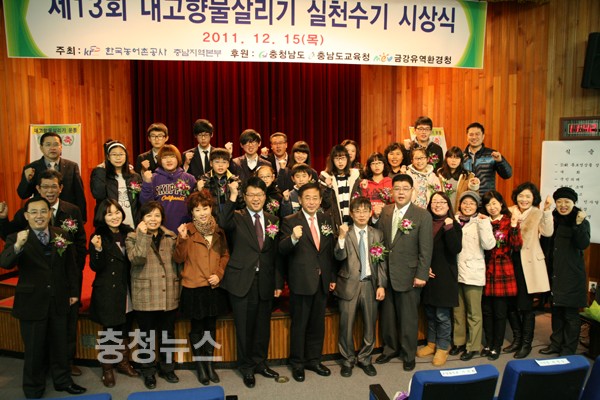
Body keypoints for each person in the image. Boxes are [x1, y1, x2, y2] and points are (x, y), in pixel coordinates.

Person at [0, 169, 87, 376]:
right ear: (38, 188)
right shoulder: (28, 210)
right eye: (45, 186)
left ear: (61, 188)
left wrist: (74, 277)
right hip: (37, 287)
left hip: (64, 279)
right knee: (37, 338)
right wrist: (2, 220)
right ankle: (42, 372)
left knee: (65, 329)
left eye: (53, 186)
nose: (50, 190)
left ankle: (66, 365)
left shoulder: (72, 210)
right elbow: (10, 239)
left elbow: (80, 242)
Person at [219, 177, 284, 388]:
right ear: (245, 197)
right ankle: (246, 367)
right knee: (244, 327)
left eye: (260, 195)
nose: (256, 199)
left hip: (264, 280)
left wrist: (277, 283)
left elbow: (275, 254)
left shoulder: (273, 219)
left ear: (265, 197)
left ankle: (260, 363)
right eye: (251, 195)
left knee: (262, 326)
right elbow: (223, 223)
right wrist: (232, 196)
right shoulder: (237, 217)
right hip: (241, 280)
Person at [373, 174, 433, 371]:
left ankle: (408, 354)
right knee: (388, 316)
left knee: (408, 318)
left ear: (412, 191)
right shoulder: (386, 211)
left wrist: (422, 275)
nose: (400, 192)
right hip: (387, 273)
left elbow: (426, 249)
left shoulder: (422, 215)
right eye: (397, 188)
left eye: (405, 189)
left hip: (409, 275)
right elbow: (379, 240)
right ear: (392, 191)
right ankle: (390, 349)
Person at [279, 182, 336, 382]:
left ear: (320, 201)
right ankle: (297, 363)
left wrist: (332, 277)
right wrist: (293, 238)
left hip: (322, 280)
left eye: (315, 198)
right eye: (307, 198)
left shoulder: (326, 219)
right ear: (300, 200)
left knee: (317, 324)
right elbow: (281, 250)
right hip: (301, 281)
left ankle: (314, 360)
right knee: (300, 325)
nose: (311, 202)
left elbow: (329, 251)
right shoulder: (290, 220)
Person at [173, 190, 229, 386]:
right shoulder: (186, 230)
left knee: (210, 327)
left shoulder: (219, 231)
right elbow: (178, 258)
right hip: (194, 287)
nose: (202, 213)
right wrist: (182, 239)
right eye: (197, 210)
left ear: (211, 208)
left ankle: (209, 364)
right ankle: (200, 366)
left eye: (205, 208)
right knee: (197, 328)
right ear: (192, 213)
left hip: (213, 286)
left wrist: (219, 274)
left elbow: (225, 255)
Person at [126, 201, 180, 390]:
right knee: (146, 336)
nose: (153, 219)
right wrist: (142, 235)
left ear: (162, 218)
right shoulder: (132, 237)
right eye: (148, 215)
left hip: (168, 292)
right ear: (141, 218)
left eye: (157, 215)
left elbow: (178, 263)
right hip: (145, 294)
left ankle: (167, 368)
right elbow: (137, 259)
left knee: (167, 335)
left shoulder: (171, 236)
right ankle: (148, 371)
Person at [334, 197, 386, 378]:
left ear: (371, 213)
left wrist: (381, 285)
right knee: (346, 326)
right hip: (348, 285)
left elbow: (381, 263)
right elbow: (339, 256)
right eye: (358, 211)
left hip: (370, 285)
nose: (362, 214)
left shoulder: (377, 234)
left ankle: (365, 358)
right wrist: (341, 237)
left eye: (365, 211)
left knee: (370, 325)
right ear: (351, 214)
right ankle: (347, 360)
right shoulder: (345, 233)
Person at [89, 199, 139, 387]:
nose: (114, 216)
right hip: (108, 290)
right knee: (110, 330)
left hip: (127, 287)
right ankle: (107, 369)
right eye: (109, 213)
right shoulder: (98, 236)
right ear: (102, 216)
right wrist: (98, 249)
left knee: (125, 327)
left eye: (117, 212)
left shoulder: (128, 232)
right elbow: (96, 266)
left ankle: (123, 362)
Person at [539, 187, 590, 356]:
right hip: (555, 273)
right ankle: (556, 344)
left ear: (573, 203)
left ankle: (568, 349)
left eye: (567, 202)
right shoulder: (552, 218)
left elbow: (582, 244)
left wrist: (578, 225)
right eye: (559, 202)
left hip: (571, 275)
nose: (562, 205)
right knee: (556, 312)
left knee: (570, 315)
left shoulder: (580, 220)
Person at [505, 182, 553, 358]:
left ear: (534, 199)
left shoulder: (537, 213)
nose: (524, 199)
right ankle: (517, 340)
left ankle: (526, 344)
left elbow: (547, 232)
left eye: (528, 196)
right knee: (511, 305)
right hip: (509, 263)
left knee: (526, 307)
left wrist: (547, 211)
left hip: (528, 265)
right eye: (521, 196)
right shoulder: (510, 211)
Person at [417, 192, 462, 367]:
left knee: (442, 315)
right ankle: (431, 343)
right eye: (434, 201)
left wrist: (449, 227)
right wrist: (424, 267)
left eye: (442, 202)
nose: (438, 205)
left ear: (448, 205)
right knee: (429, 312)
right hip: (428, 274)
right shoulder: (425, 222)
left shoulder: (453, 224)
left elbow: (455, 248)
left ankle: (443, 347)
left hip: (445, 276)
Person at [449, 191, 495, 361]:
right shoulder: (454, 220)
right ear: (460, 204)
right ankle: (459, 342)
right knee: (457, 312)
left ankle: (473, 346)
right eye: (465, 203)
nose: (467, 206)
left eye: (472, 203)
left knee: (474, 313)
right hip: (455, 272)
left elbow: (489, 245)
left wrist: (484, 224)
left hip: (473, 272)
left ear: (477, 206)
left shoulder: (482, 221)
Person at [480, 190, 522, 360]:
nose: (492, 207)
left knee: (499, 312)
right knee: (486, 311)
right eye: (488, 204)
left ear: (501, 204)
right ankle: (488, 343)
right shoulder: (483, 221)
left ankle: (496, 346)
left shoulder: (508, 221)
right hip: (485, 269)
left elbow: (517, 245)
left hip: (503, 269)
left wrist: (514, 226)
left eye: (494, 203)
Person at [17, 131, 87, 221]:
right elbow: (23, 194)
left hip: (65, 214)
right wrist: (27, 180)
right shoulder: (32, 168)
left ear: (61, 147)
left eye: (56, 144)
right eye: (48, 144)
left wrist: (82, 218)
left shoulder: (72, 166)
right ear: (41, 148)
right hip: (41, 216)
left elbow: (79, 194)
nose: (52, 148)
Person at [140, 144, 199, 233]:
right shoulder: (153, 178)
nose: (169, 160)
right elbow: (146, 205)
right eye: (164, 157)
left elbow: (195, 206)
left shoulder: (189, 178)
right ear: (160, 160)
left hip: (184, 229)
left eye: (172, 156)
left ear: (178, 158)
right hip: (160, 230)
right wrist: (147, 183)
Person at [91, 140, 142, 229]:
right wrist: (100, 170)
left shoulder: (135, 177)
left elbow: (141, 201)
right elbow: (98, 195)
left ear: (126, 156)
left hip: (132, 223)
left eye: (121, 154)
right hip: (110, 226)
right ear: (108, 157)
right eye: (114, 154)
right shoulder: (102, 175)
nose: (118, 158)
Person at [462, 122, 512, 195]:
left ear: (483, 136)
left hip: (486, 198)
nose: (474, 137)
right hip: (467, 198)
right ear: (467, 137)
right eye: (471, 134)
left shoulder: (492, 154)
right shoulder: (461, 156)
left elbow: (507, 175)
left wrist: (500, 161)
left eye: (477, 134)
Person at [320, 145, 361, 229]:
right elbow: (325, 203)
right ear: (332, 160)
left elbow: (359, 198)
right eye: (337, 159)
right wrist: (328, 187)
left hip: (352, 221)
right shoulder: (325, 177)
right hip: (334, 222)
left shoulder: (354, 176)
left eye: (343, 158)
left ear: (347, 159)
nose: (340, 162)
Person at [197, 147, 243, 214]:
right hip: (211, 217)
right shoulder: (204, 180)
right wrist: (199, 190)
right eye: (217, 162)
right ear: (211, 163)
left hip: (230, 217)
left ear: (228, 164)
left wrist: (236, 192)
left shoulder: (234, 180)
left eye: (224, 162)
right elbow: (197, 204)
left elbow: (241, 205)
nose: (220, 165)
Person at [436, 146, 479, 211]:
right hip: (441, 211)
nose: (453, 160)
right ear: (446, 159)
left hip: (460, 213)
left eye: (457, 158)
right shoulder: (438, 174)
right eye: (451, 157)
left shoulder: (468, 176)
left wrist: (474, 186)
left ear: (461, 160)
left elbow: (474, 197)